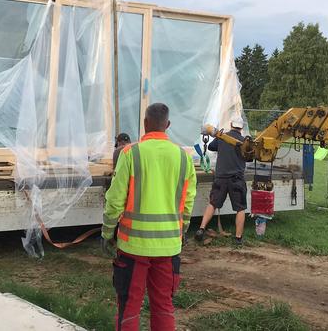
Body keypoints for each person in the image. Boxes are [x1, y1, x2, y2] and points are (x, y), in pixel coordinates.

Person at [102, 103, 196, 331]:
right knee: (163, 306)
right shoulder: (184, 158)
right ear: (168, 125)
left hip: (133, 247)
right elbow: (188, 202)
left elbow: (115, 200)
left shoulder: (131, 153)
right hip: (169, 247)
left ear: (145, 123)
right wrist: (182, 231)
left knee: (129, 307)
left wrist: (107, 233)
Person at [194, 116, 247, 245]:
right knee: (240, 208)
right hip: (237, 179)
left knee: (213, 203)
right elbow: (250, 157)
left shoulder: (223, 137)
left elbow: (211, 147)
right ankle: (238, 238)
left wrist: (219, 137)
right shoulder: (244, 142)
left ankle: (201, 229)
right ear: (241, 127)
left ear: (231, 124)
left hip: (221, 178)